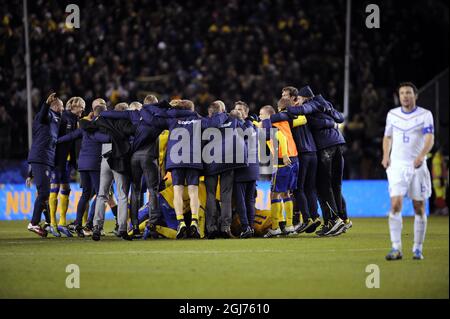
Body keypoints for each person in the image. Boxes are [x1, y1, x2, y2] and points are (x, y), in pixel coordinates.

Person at [140, 99, 228, 239]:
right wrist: (224, 114)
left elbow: (148, 116)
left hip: (176, 160)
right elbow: (214, 123)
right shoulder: (198, 119)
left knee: (178, 192)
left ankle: (180, 222)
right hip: (193, 159)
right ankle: (194, 221)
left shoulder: (171, 120)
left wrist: (160, 105)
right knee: (193, 192)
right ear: (191, 108)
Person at [287, 87, 350, 236]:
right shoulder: (325, 103)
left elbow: (300, 110)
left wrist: (287, 107)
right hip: (338, 144)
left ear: (305, 97)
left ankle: (333, 221)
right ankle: (341, 219)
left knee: (322, 186)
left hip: (325, 146)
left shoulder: (313, 103)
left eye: (300, 99)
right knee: (336, 186)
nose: (299, 102)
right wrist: (330, 121)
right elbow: (339, 118)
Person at [382, 82, 434, 260]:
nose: (405, 96)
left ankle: (417, 248)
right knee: (395, 205)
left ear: (415, 96)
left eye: (408, 93)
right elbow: (387, 136)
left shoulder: (425, 115)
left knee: (419, 208)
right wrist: (385, 156)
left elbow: (429, 139)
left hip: (417, 166)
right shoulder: (392, 114)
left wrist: (421, 156)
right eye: (402, 93)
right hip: (397, 166)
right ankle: (396, 248)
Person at [99, 95, 163, 236]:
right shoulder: (156, 117)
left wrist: (98, 115)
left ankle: (134, 225)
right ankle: (152, 223)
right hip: (149, 156)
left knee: (135, 190)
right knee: (153, 190)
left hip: (132, 158)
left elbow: (106, 113)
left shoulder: (132, 115)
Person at [57, 102, 109, 237]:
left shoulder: (85, 126)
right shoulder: (102, 127)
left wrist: (56, 140)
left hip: (83, 164)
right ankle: (90, 223)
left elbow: (71, 136)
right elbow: (106, 138)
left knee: (86, 194)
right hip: (94, 165)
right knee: (100, 194)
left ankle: (78, 223)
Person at [203, 102, 248, 239]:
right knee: (226, 196)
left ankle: (211, 228)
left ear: (210, 112)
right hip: (228, 162)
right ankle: (225, 228)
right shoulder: (232, 119)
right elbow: (245, 133)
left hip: (210, 162)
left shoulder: (205, 122)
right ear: (223, 110)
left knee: (210, 194)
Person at [260, 104, 301, 237]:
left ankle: (275, 227)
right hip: (292, 162)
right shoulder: (281, 122)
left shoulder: (270, 125)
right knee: (286, 193)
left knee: (274, 194)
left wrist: (283, 155)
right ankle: (289, 226)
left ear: (267, 115)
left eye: (261, 114)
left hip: (281, 164)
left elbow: (281, 137)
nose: (260, 117)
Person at [27, 93, 64, 237]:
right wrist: (46, 104)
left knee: (44, 193)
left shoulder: (56, 119)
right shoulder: (46, 115)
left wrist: (30, 173)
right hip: (41, 158)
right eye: (60, 107)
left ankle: (48, 223)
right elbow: (42, 116)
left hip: (44, 159)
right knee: (44, 193)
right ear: (55, 107)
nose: (62, 110)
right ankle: (34, 223)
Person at [48, 97, 85, 237]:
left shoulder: (75, 120)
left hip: (66, 161)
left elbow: (72, 144)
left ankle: (62, 222)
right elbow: (55, 139)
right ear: (74, 106)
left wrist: (73, 160)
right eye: (82, 106)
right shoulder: (63, 119)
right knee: (55, 188)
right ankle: (53, 223)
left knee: (66, 189)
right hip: (57, 160)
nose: (83, 109)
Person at [233, 101, 260, 238]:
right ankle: (251, 227)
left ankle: (246, 227)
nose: (237, 111)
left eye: (239, 109)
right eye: (235, 109)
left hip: (243, 168)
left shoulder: (241, 126)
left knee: (242, 201)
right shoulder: (254, 126)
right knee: (250, 200)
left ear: (246, 113)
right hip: (253, 168)